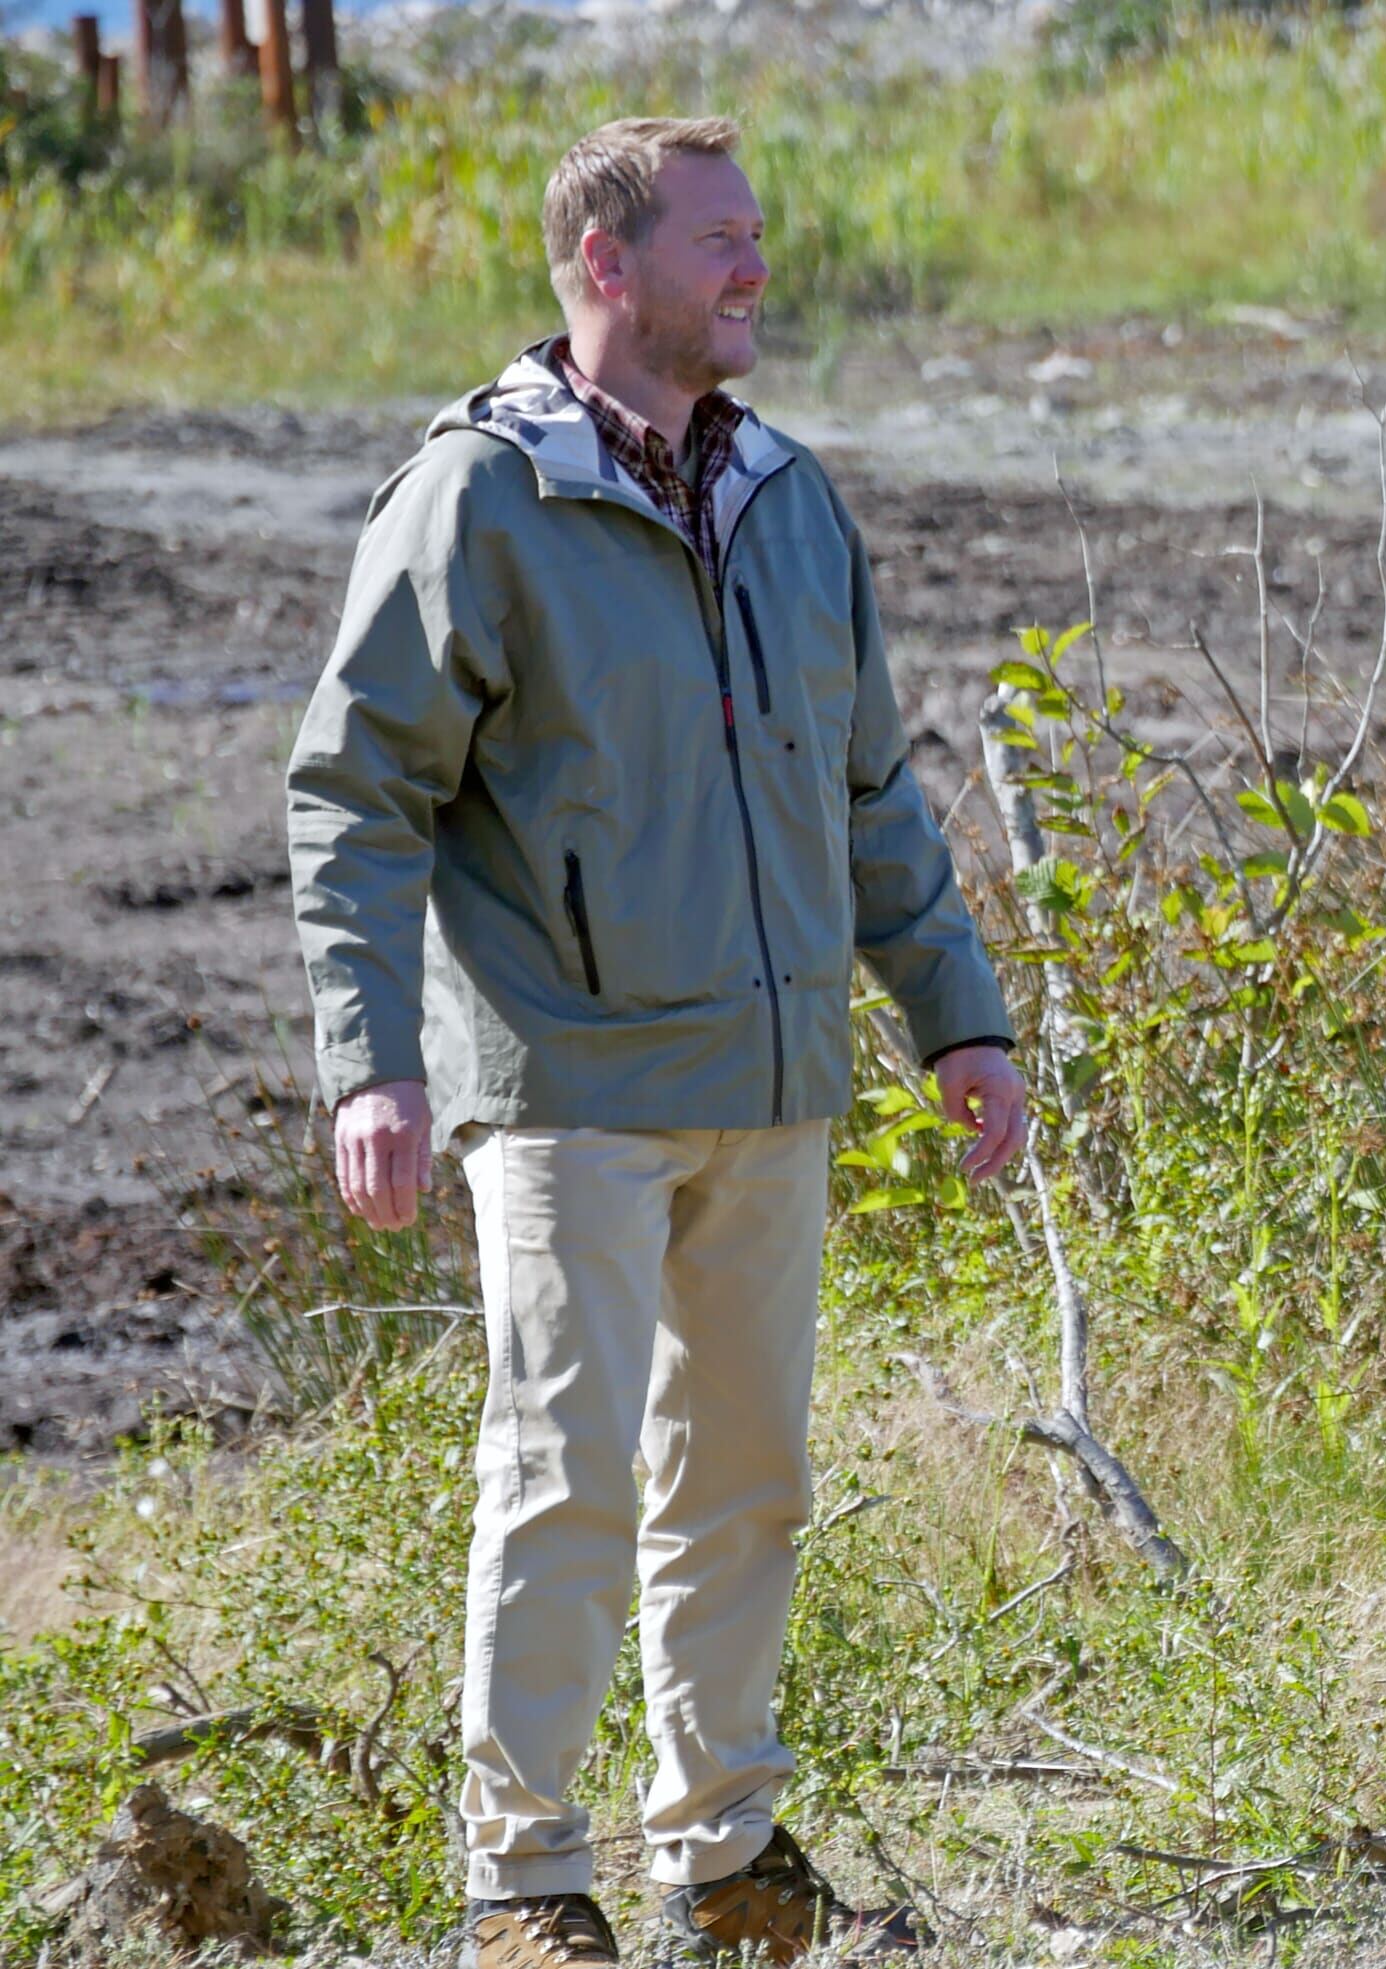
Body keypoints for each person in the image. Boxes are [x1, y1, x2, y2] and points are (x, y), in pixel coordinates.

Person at [285, 117, 1026, 1969]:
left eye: (758, 235)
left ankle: (732, 1858)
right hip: (571, 1087)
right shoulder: (476, 500)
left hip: (770, 1095)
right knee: (565, 1477)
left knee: (747, 1482)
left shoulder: (791, 495)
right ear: (605, 266)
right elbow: (355, 794)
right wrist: (371, 1059)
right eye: (720, 241)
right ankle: (525, 1879)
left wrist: (960, 1018)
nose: (755, 269)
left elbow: (870, 798)